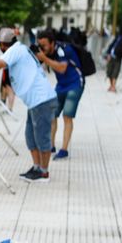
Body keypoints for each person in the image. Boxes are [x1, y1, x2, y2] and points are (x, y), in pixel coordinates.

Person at [0, 27, 57, 183]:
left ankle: (43, 172)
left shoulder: (15, 50)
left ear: (5, 44)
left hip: (41, 100)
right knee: (30, 136)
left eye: (1, 45)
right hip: (36, 101)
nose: (0, 48)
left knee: (41, 137)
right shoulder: (20, 49)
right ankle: (36, 167)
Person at [36, 28, 84, 160]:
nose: (42, 48)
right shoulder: (47, 52)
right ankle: (51, 146)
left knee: (67, 116)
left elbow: (62, 68)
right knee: (52, 114)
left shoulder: (63, 49)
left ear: (52, 43)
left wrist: (44, 58)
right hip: (61, 85)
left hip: (75, 84)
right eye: (40, 45)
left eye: (44, 45)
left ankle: (64, 150)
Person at [104, 26, 122, 93]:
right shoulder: (119, 36)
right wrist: (108, 53)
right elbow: (112, 45)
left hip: (118, 57)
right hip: (111, 55)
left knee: (115, 72)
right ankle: (111, 85)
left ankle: (113, 86)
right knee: (109, 71)